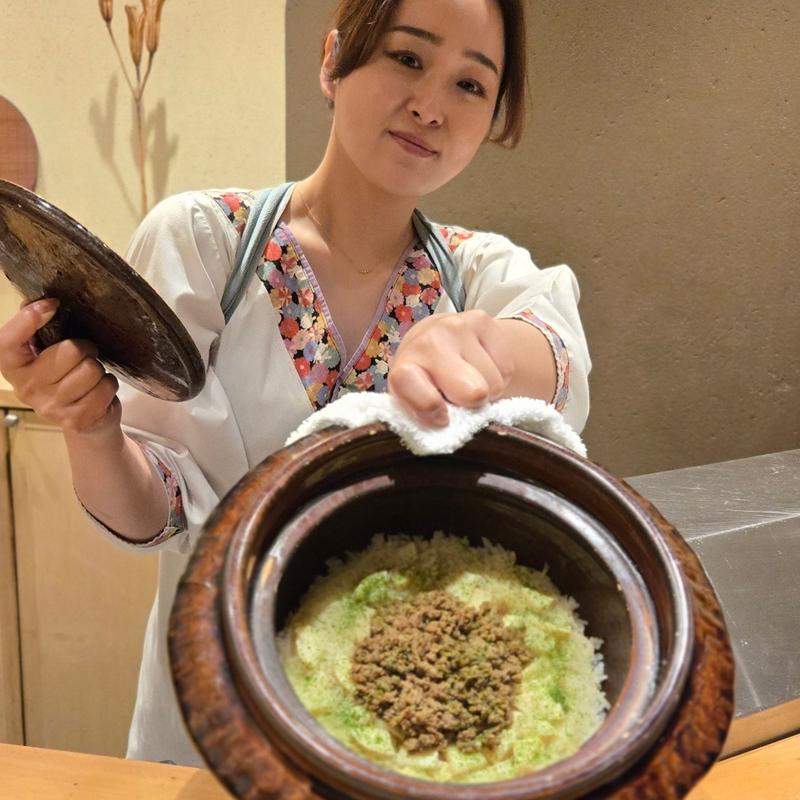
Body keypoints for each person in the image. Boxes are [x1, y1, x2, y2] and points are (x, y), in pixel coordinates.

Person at [0, 0, 590, 767]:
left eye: (471, 86)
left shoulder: (480, 273)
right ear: (333, 59)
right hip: (210, 707)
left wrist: (479, 344)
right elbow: (156, 512)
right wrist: (89, 426)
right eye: (408, 58)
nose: (431, 106)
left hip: (392, 712)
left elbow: (558, 354)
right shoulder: (208, 241)